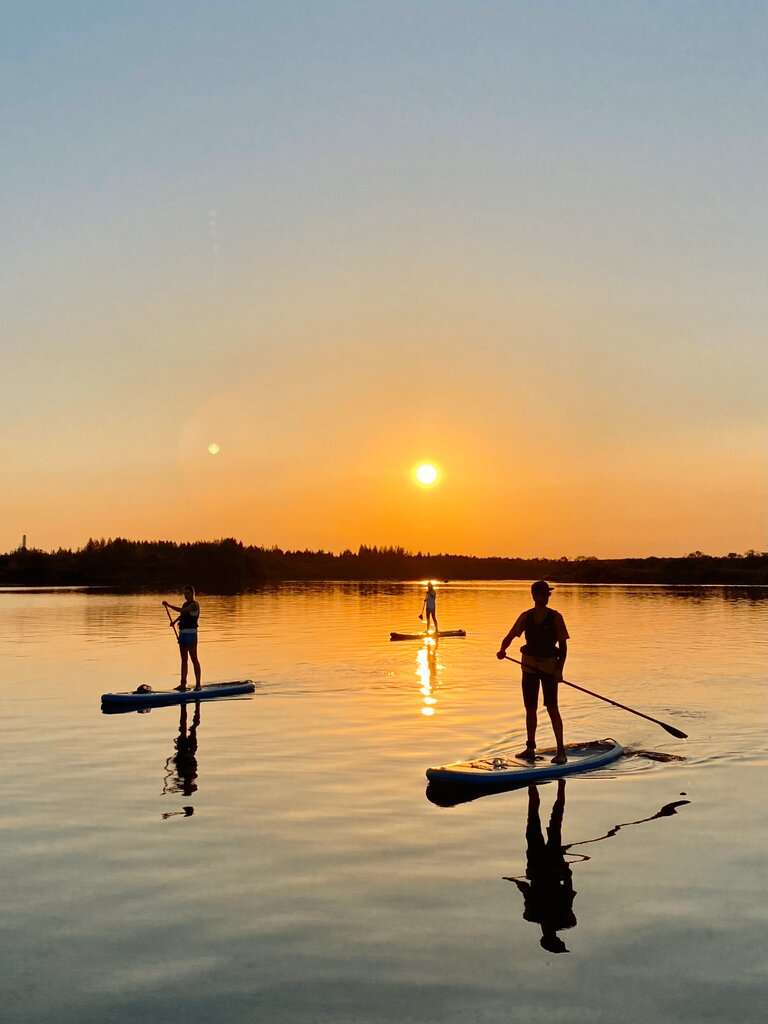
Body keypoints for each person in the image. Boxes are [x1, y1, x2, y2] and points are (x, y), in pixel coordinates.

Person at [496, 580, 569, 764]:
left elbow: (563, 646)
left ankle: (561, 752)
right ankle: (530, 748)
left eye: (547, 594)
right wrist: (502, 649)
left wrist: (559, 670)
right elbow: (511, 635)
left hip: (549, 669)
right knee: (530, 708)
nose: (546, 597)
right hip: (529, 667)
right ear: (535, 596)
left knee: (552, 708)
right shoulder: (526, 616)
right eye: (544, 594)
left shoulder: (555, 617)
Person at [505, 781, 576, 954]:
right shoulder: (534, 916)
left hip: (549, 866)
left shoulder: (561, 919)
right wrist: (516, 882)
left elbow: (568, 888)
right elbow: (528, 891)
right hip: (539, 867)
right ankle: (536, 785)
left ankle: (557, 786)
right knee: (536, 820)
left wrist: (566, 868)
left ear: (553, 938)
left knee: (554, 822)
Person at [163, 586, 202, 691]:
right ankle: (183, 684)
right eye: (185, 593)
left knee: (194, 659)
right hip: (183, 634)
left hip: (191, 635)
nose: (186, 595)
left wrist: (169, 605)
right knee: (184, 660)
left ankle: (198, 685)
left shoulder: (194, 604)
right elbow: (182, 615)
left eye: (188, 593)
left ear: (192, 594)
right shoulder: (185, 604)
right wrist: (174, 622)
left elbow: (184, 611)